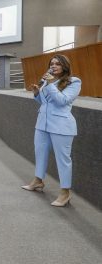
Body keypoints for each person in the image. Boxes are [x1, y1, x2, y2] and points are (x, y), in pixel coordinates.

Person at [21, 54, 81, 207]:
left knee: (63, 160)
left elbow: (62, 101)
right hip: (42, 124)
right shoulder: (47, 81)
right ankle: (38, 180)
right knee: (40, 153)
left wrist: (50, 84)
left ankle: (65, 192)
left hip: (62, 126)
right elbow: (44, 102)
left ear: (65, 66)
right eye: (52, 63)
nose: (53, 66)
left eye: (57, 64)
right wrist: (36, 93)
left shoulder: (74, 82)